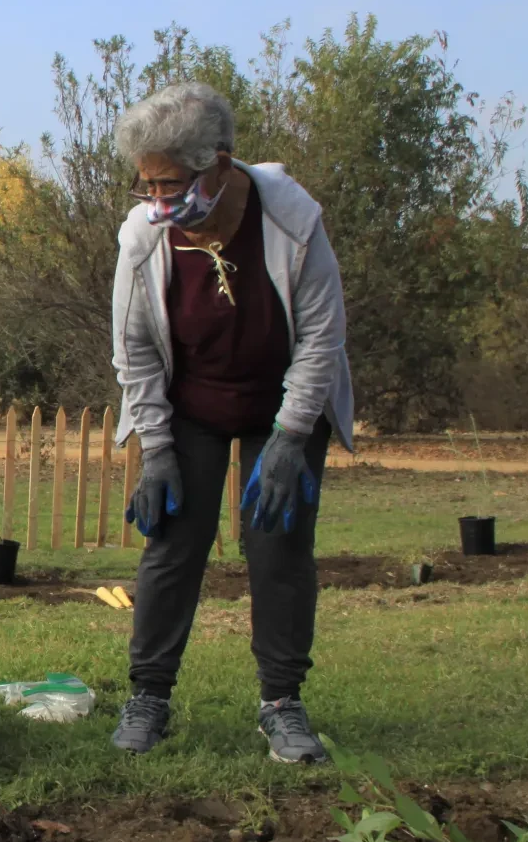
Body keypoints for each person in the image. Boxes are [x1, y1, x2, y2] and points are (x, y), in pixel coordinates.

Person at [108, 83, 353, 764]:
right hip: (191, 406)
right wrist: (157, 450)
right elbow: (134, 351)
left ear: (219, 163)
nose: (159, 201)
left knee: (277, 542)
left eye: (172, 182)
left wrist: (291, 437)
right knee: (173, 542)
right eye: (146, 184)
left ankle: (283, 703)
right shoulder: (143, 236)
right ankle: (148, 697)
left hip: (285, 400)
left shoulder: (294, 221)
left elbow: (323, 337)